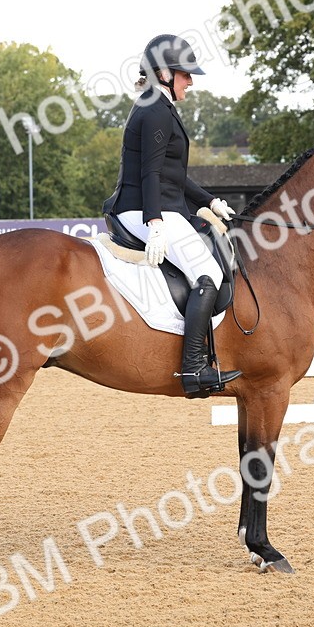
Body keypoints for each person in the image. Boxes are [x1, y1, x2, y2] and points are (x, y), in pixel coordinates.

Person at [103, 33, 240, 398]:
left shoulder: (158, 105)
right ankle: (194, 367)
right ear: (164, 72)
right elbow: (149, 173)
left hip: (161, 206)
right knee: (208, 274)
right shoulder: (153, 109)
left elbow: (172, 175)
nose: (191, 81)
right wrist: (155, 222)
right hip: (144, 209)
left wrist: (210, 201)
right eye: (185, 74)